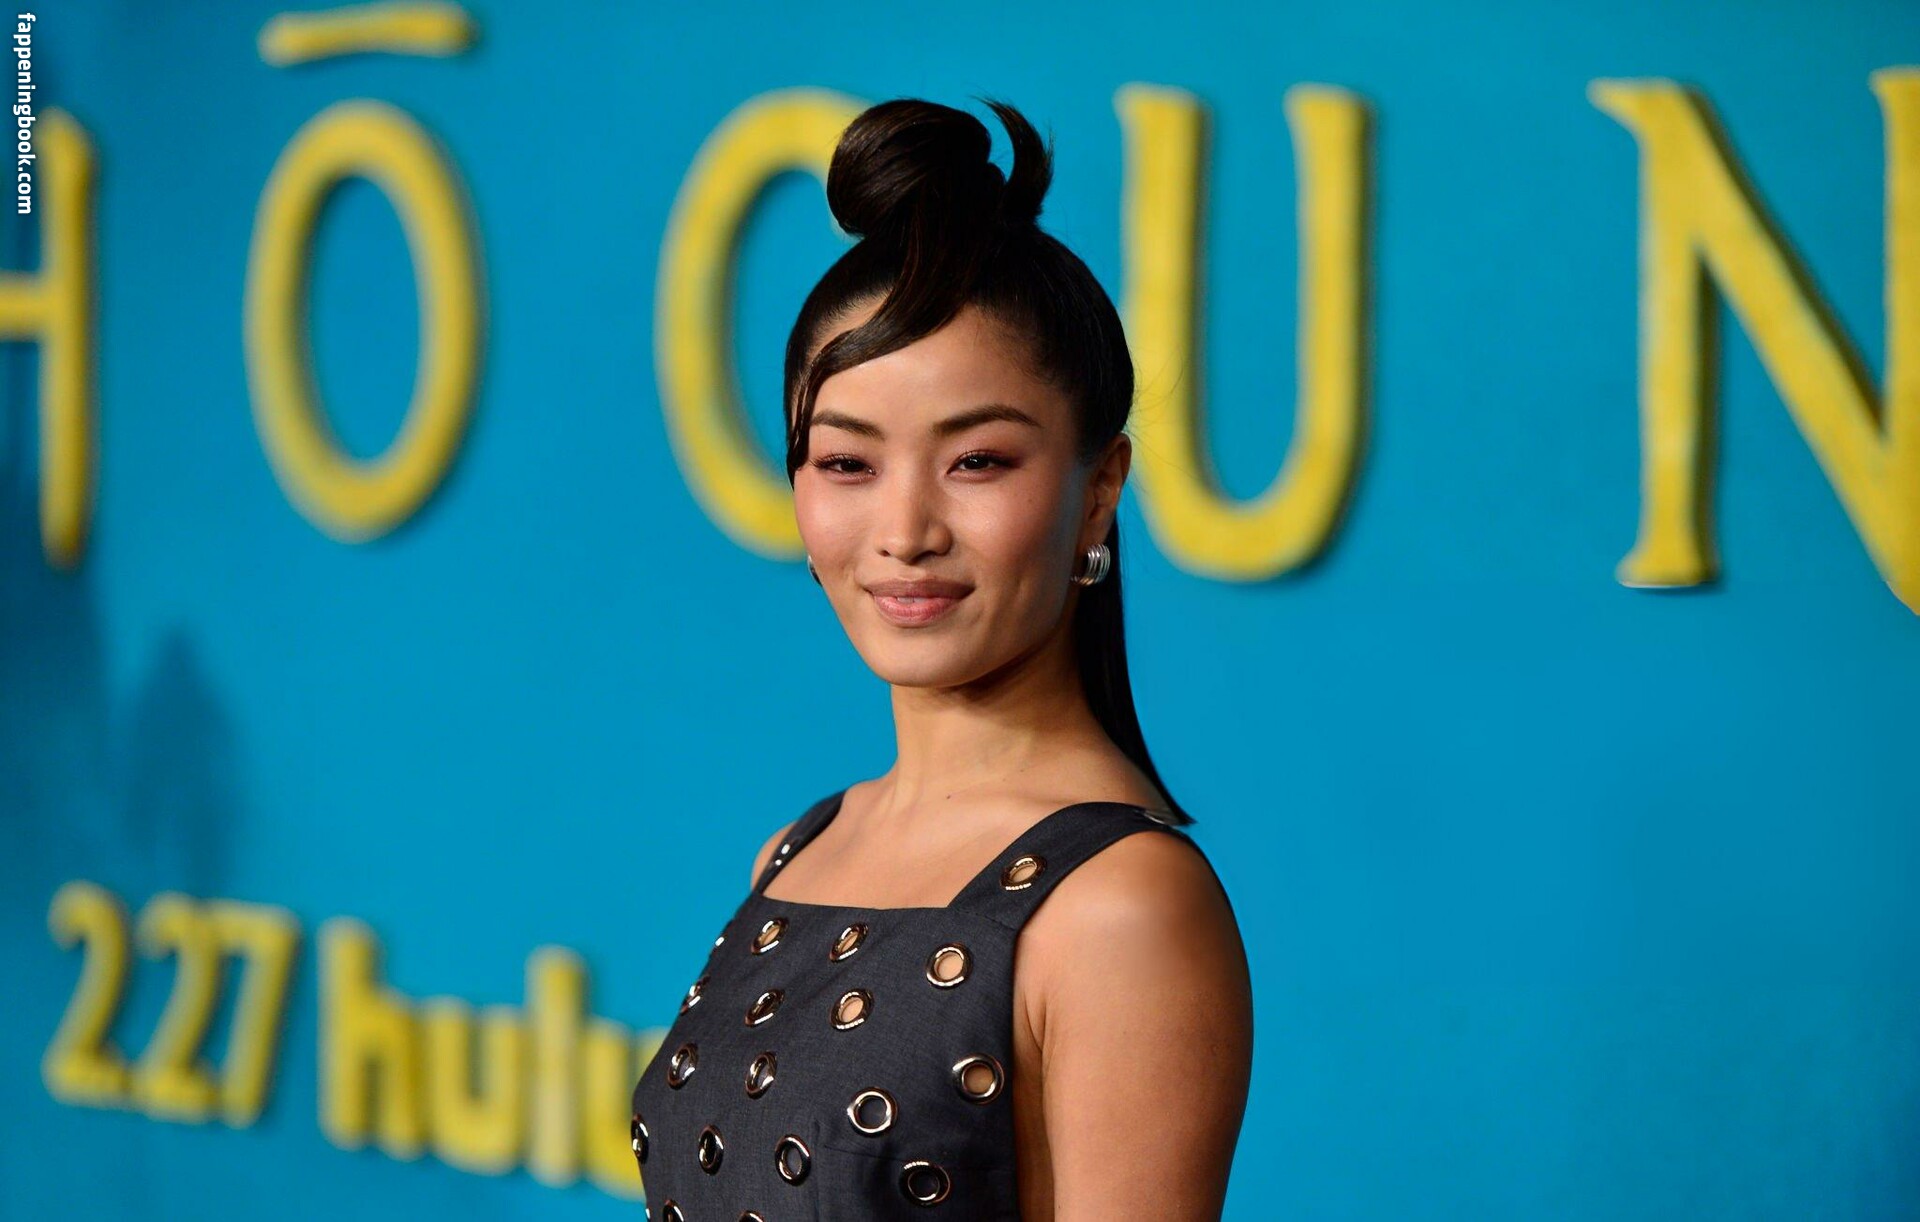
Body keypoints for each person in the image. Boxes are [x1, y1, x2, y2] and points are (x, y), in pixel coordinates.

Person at [630, 95, 1252, 1221]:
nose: (905, 530)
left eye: (976, 462)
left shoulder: (1122, 907)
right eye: (846, 464)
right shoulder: (800, 848)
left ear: (1099, 490)